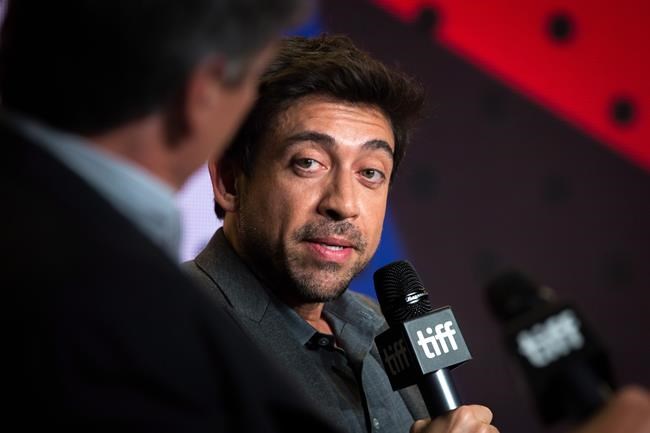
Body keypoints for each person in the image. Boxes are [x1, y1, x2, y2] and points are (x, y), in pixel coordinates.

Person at [0, 1, 341, 432]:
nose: (342, 202)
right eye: (252, 83)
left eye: (371, 173)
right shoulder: (138, 343)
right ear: (203, 94)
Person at [184, 34, 499, 433]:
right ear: (230, 181)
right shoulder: (166, 325)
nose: (344, 203)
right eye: (309, 162)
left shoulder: (380, 324)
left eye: (370, 172)